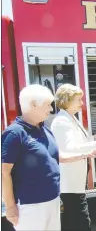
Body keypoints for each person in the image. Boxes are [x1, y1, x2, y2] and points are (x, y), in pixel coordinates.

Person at [1, 84, 61, 231]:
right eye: (48, 105)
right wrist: (10, 207)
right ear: (34, 104)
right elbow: (4, 172)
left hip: (52, 201)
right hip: (30, 207)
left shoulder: (45, 130)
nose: (51, 109)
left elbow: (50, 159)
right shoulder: (15, 133)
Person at [50, 84, 96, 231]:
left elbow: (77, 142)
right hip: (69, 186)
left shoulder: (69, 118)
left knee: (74, 221)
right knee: (80, 222)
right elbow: (69, 149)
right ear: (67, 101)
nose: (82, 103)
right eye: (78, 100)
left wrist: (94, 138)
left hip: (74, 184)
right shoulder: (62, 122)